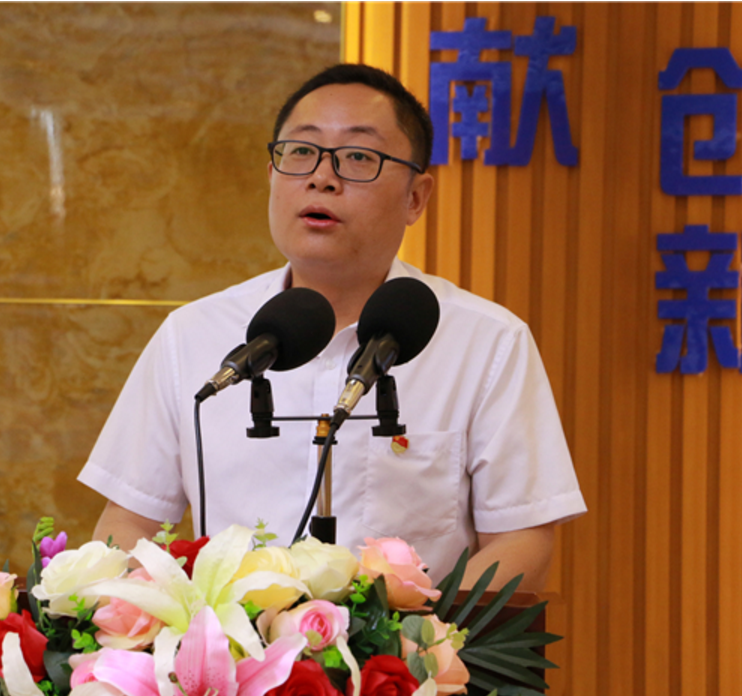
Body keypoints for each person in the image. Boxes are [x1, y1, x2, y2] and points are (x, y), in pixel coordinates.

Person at [78, 64, 586, 590]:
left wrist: (425, 635)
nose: (321, 177)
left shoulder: (487, 343)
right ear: (271, 176)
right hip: (229, 644)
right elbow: (129, 521)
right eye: (301, 151)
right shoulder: (192, 335)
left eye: (359, 157)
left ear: (415, 197)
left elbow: (521, 539)